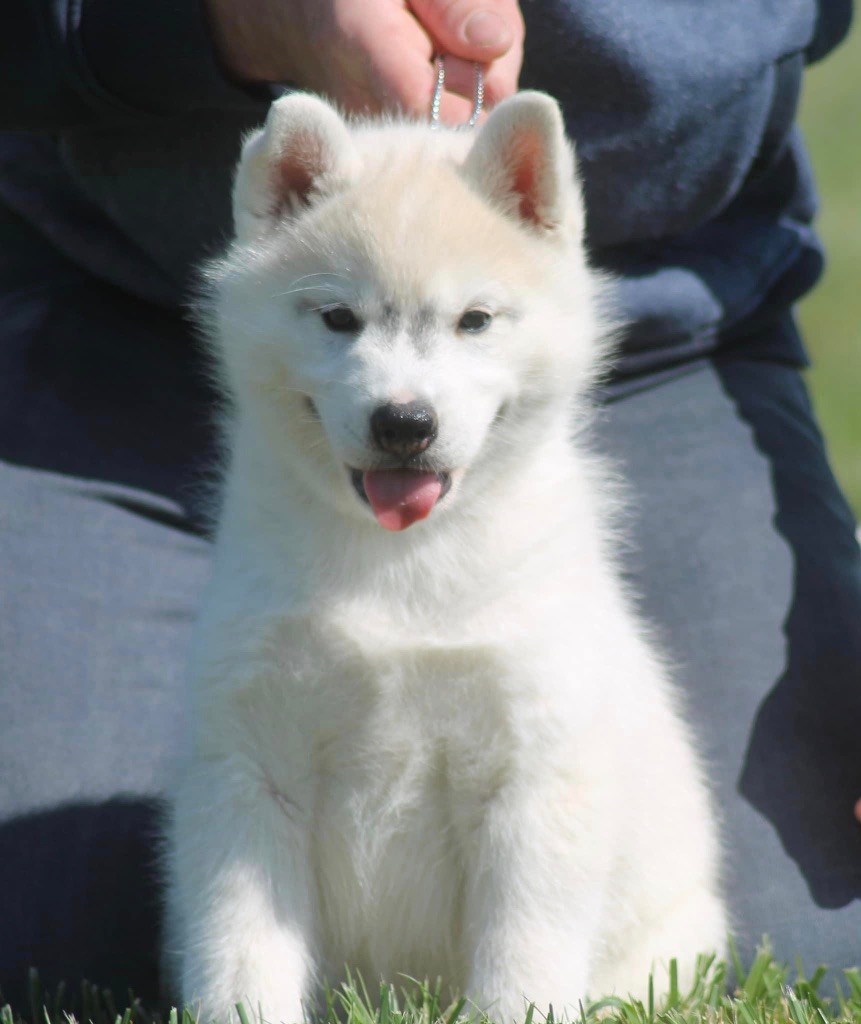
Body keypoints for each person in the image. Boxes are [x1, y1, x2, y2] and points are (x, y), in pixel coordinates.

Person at [1, 0, 859, 1010]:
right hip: (100, 313)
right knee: (44, 924)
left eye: (472, 320)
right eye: (340, 319)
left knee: (816, 913)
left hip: (690, 321)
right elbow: (255, 785)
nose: (402, 397)